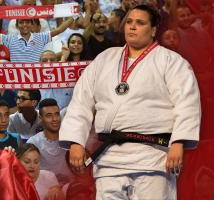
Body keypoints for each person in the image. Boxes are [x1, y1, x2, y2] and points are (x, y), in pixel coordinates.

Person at [59, 4, 201, 200]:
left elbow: (187, 103)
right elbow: (81, 102)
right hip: (110, 160)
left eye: (140, 23)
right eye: (129, 22)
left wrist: (178, 142)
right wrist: (76, 141)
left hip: (153, 158)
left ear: (153, 31)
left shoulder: (171, 61)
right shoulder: (104, 59)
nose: (132, 27)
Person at [27, 98, 72, 185]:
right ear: (41, 118)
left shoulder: (71, 138)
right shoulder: (33, 143)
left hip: (71, 188)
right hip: (44, 190)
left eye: (57, 114)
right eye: (49, 115)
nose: (54, 119)